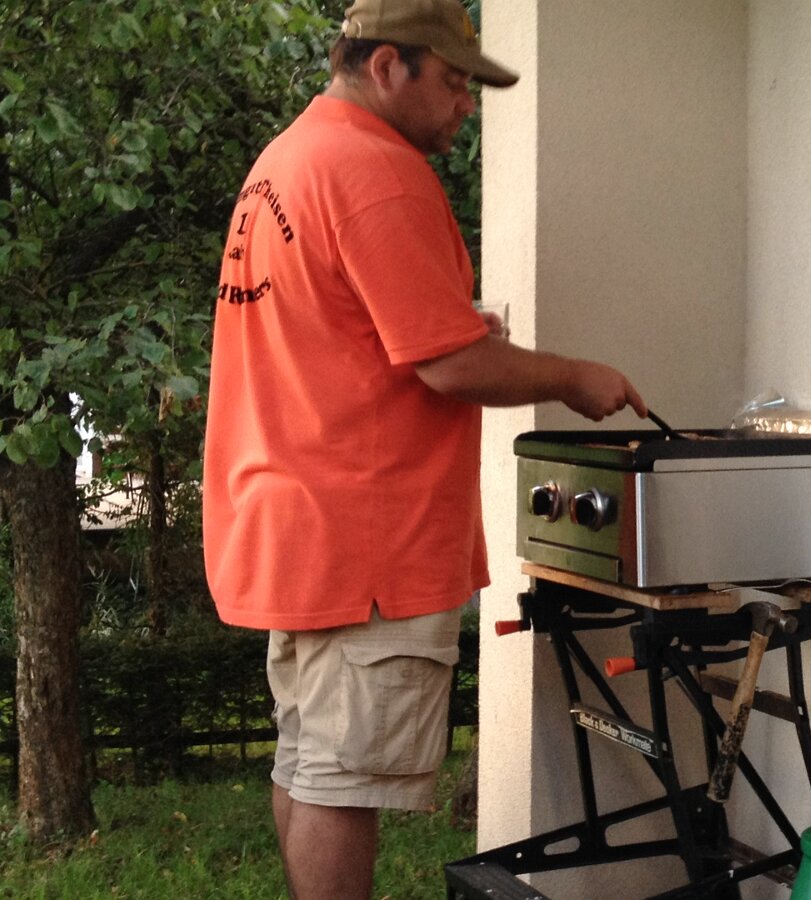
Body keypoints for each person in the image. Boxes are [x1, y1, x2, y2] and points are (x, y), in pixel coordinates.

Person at [201, 1, 646, 897]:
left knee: (308, 765)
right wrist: (572, 377)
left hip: (295, 522)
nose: (464, 106)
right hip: (367, 537)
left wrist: (453, 329)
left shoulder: (287, 161)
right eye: (451, 82)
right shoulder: (377, 170)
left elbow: (347, 328)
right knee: (340, 782)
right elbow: (448, 365)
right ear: (386, 67)